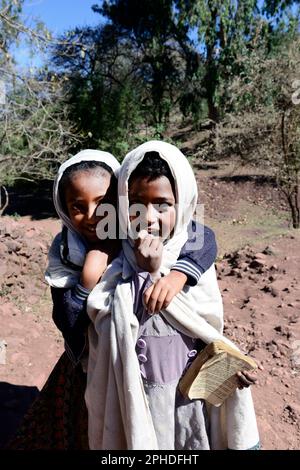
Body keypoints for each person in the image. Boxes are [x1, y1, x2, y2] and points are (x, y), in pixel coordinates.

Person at [7, 148, 218, 449]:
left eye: (104, 203)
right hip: (94, 368)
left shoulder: (137, 234)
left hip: (164, 371)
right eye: (78, 206)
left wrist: (177, 275)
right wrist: (86, 283)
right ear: (64, 210)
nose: (93, 216)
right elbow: (68, 324)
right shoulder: (68, 253)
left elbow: (203, 236)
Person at [86, 140, 261, 450]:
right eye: (137, 202)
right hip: (136, 395)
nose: (149, 217)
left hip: (188, 398)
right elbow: (105, 325)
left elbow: (204, 327)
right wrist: (146, 272)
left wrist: (228, 368)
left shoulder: (191, 255)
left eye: (162, 204)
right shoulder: (115, 255)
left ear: (183, 204)